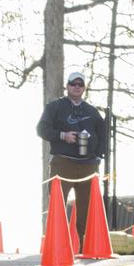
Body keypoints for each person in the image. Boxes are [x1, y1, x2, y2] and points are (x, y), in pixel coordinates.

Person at [35, 71, 108, 237]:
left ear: (84, 88)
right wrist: (63, 136)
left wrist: (97, 155)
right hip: (63, 164)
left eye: (80, 84)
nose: (76, 87)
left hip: (89, 166)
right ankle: (55, 247)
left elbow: (103, 135)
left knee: (87, 210)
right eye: (73, 84)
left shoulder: (92, 111)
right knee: (57, 206)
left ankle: (86, 248)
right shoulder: (55, 107)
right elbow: (41, 129)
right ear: (67, 86)